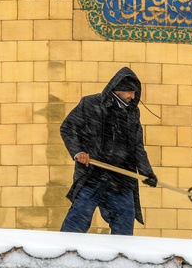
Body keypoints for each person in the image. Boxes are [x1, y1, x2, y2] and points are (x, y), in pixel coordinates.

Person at [59, 66, 157, 235]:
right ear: (117, 89)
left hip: (121, 179)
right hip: (93, 176)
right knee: (79, 217)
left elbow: (137, 147)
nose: (133, 97)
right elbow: (68, 127)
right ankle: (66, 251)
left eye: (134, 93)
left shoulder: (133, 113)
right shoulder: (90, 104)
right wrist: (78, 152)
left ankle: (122, 255)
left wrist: (147, 172)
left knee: (125, 219)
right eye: (129, 92)